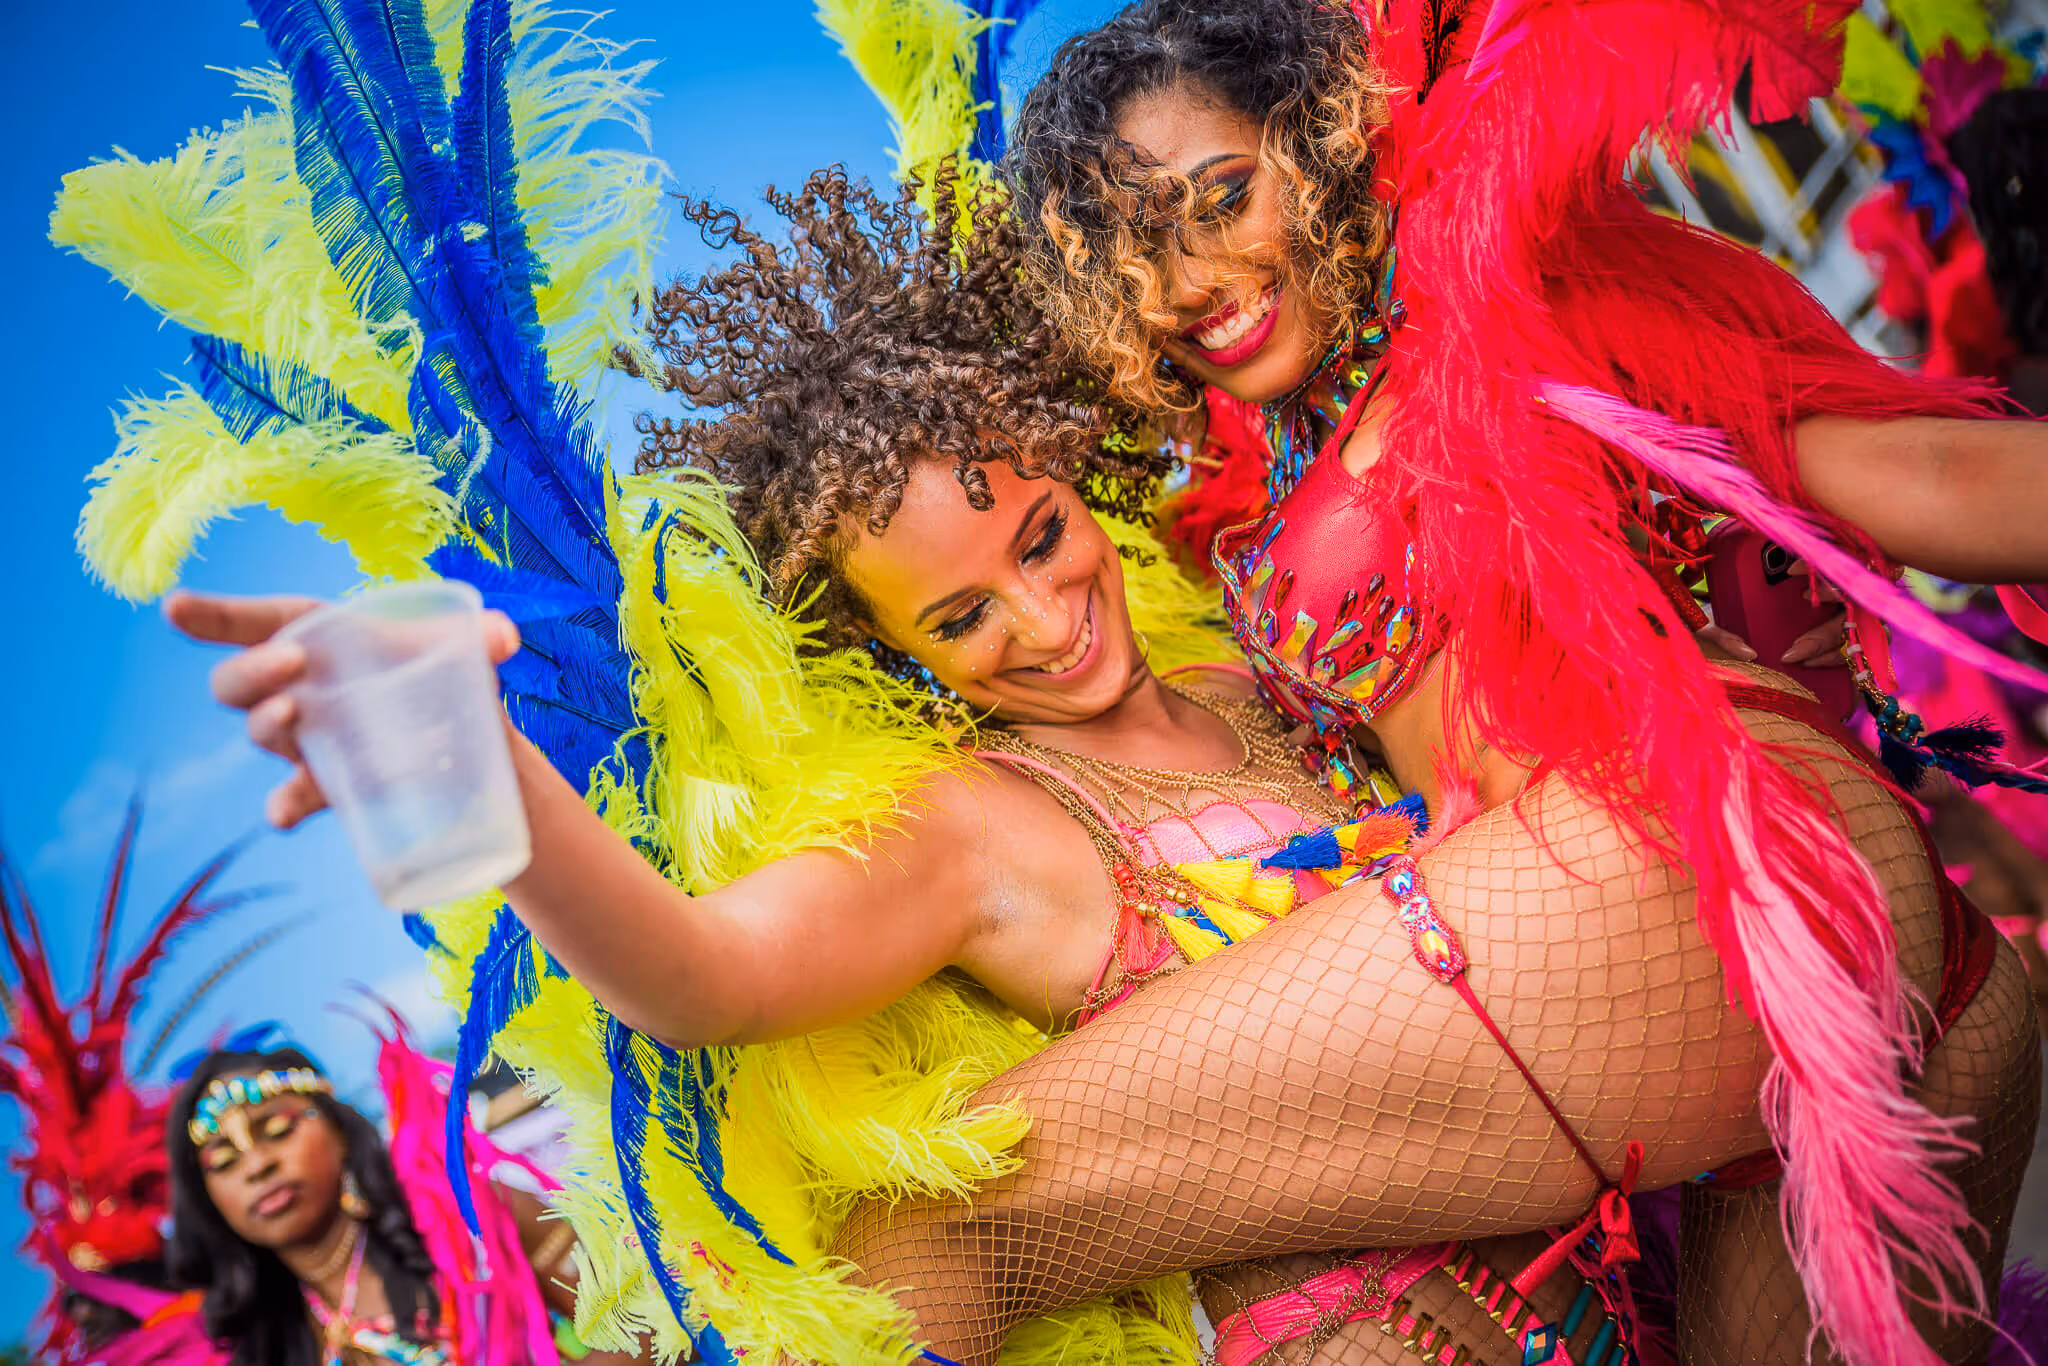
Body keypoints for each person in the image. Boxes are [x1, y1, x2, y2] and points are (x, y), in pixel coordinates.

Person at [810, 0, 2048, 1363]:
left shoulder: (1500, 296)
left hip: (1682, 868)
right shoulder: (1270, 459)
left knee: (933, 1226)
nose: (1193, 280)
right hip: (1714, 963)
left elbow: (1921, 476)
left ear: (1319, 138)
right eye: (1133, 257)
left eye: (1221, 197)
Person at [167, 1030, 644, 1366]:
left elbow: (648, 1320)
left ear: (339, 1129)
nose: (257, 1165)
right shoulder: (245, 1343)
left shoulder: (473, 1217)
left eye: (277, 1129)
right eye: (224, 1161)